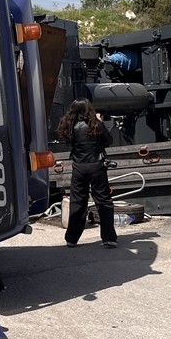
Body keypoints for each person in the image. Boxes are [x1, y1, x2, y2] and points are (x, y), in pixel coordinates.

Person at [56, 98, 117, 248]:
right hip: (96, 165)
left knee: (77, 201)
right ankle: (109, 238)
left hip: (79, 166)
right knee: (103, 201)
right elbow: (109, 140)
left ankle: (72, 238)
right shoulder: (95, 124)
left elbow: (69, 143)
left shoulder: (69, 126)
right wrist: (99, 122)